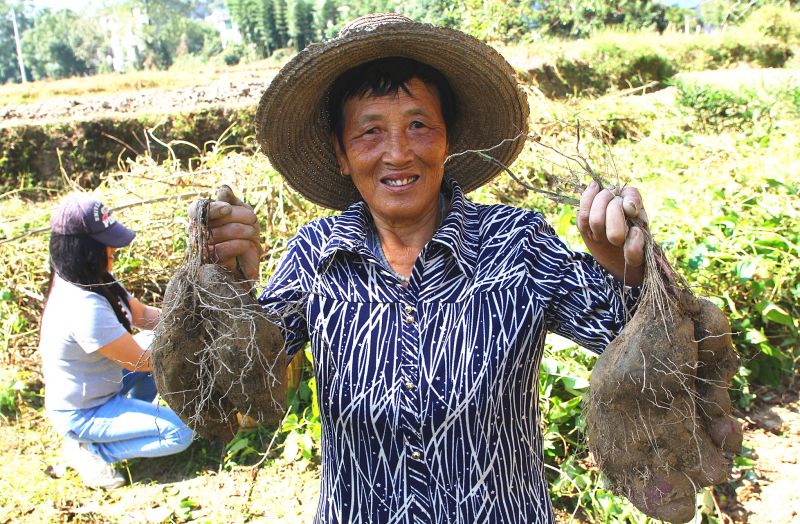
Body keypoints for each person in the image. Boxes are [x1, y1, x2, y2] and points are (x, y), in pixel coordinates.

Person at [191, 14, 733, 523]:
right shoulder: (316, 253)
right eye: (370, 132)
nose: (398, 153)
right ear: (340, 152)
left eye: (419, 124)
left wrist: (629, 272)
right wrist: (232, 290)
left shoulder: (518, 244)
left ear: (447, 139)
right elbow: (238, 387)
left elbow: (633, 341)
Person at [39, 194, 193, 489]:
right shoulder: (82, 305)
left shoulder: (94, 279)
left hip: (103, 382)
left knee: (154, 338)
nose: (113, 250)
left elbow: (143, 316)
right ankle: (91, 450)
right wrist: (196, 346)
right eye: (105, 244)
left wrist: (187, 320)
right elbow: (143, 362)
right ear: (83, 250)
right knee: (180, 433)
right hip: (85, 411)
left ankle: (127, 422)